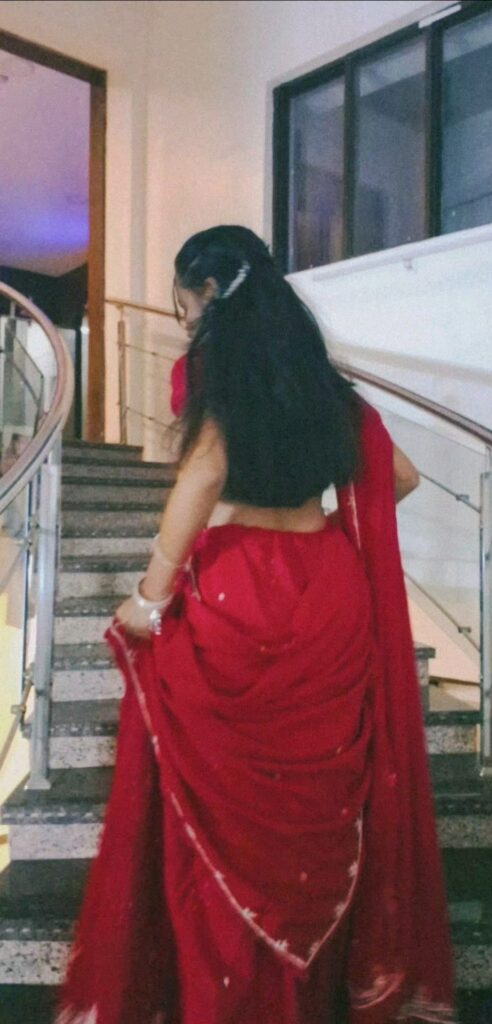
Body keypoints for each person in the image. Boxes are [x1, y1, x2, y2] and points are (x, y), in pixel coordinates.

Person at [56, 226, 456, 1024]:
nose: (182, 319)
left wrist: (150, 598)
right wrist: (337, 531)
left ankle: (226, 995)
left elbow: (205, 469)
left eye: (182, 303)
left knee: (220, 810)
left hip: (239, 591)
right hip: (329, 591)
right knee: (315, 813)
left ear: (207, 294)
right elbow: (401, 478)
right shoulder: (325, 386)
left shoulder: (211, 370)